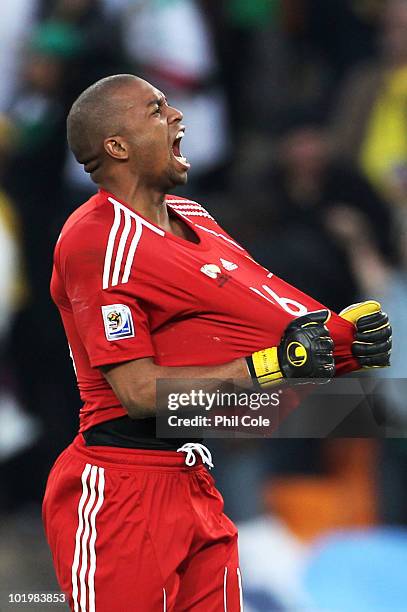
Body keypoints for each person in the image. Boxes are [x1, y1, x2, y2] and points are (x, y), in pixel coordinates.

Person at [42, 74, 392, 612]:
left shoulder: (195, 217)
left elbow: (266, 307)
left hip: (194, 478)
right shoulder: (97, 238)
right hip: (120, 490)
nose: (179, 117)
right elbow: (137, 392)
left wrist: (342, 343)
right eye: (158, 111)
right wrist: (272, 368)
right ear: (117, 146)